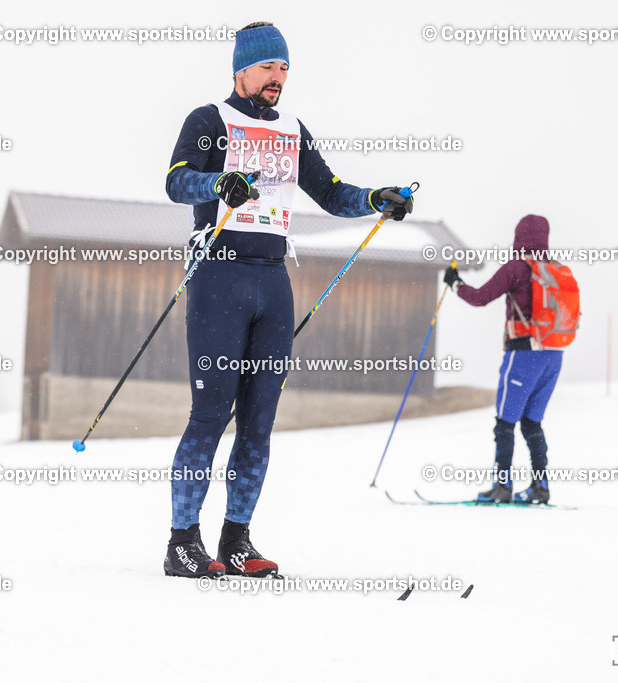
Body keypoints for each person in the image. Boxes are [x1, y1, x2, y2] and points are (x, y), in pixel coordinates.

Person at [162, 21, 413, 578]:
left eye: (284, 69)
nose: (277, 78)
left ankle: (237, 541)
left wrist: (376, 198)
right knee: (209, 415)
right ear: (241, 69)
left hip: (272, 281)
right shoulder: (209, 121)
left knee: (258, 421)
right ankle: (182, 542)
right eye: (268, 67)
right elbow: (177, 181)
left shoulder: (293, 130)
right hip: (219, 276)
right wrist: (217, 184)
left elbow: (330, 192)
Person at [443, 215, 561, 504]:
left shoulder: (517, 267)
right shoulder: (556, 270)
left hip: (522, 354)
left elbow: (481, 297)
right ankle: (540, 487)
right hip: (554, 355)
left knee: (504, 423)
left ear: (519, 237)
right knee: (532, 423)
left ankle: (502, 486)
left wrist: (455, 284)